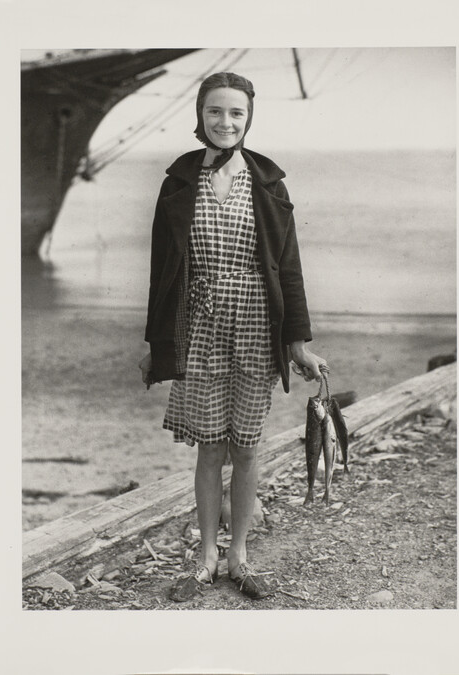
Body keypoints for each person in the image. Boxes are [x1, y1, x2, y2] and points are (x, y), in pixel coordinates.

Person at [139, 71, 327, 601]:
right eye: (215, 112)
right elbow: (163, 272)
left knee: (246, 449)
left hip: (254, 326)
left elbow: (288, 268)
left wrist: (298, 342)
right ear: (200, 116)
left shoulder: (268, 183)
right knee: (209, 449)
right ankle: (206, 558)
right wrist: (156, 346)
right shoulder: (178, 181)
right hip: (198, 327)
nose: (226, 122)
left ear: (249, 118)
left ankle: (240, 557)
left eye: (236, 113)